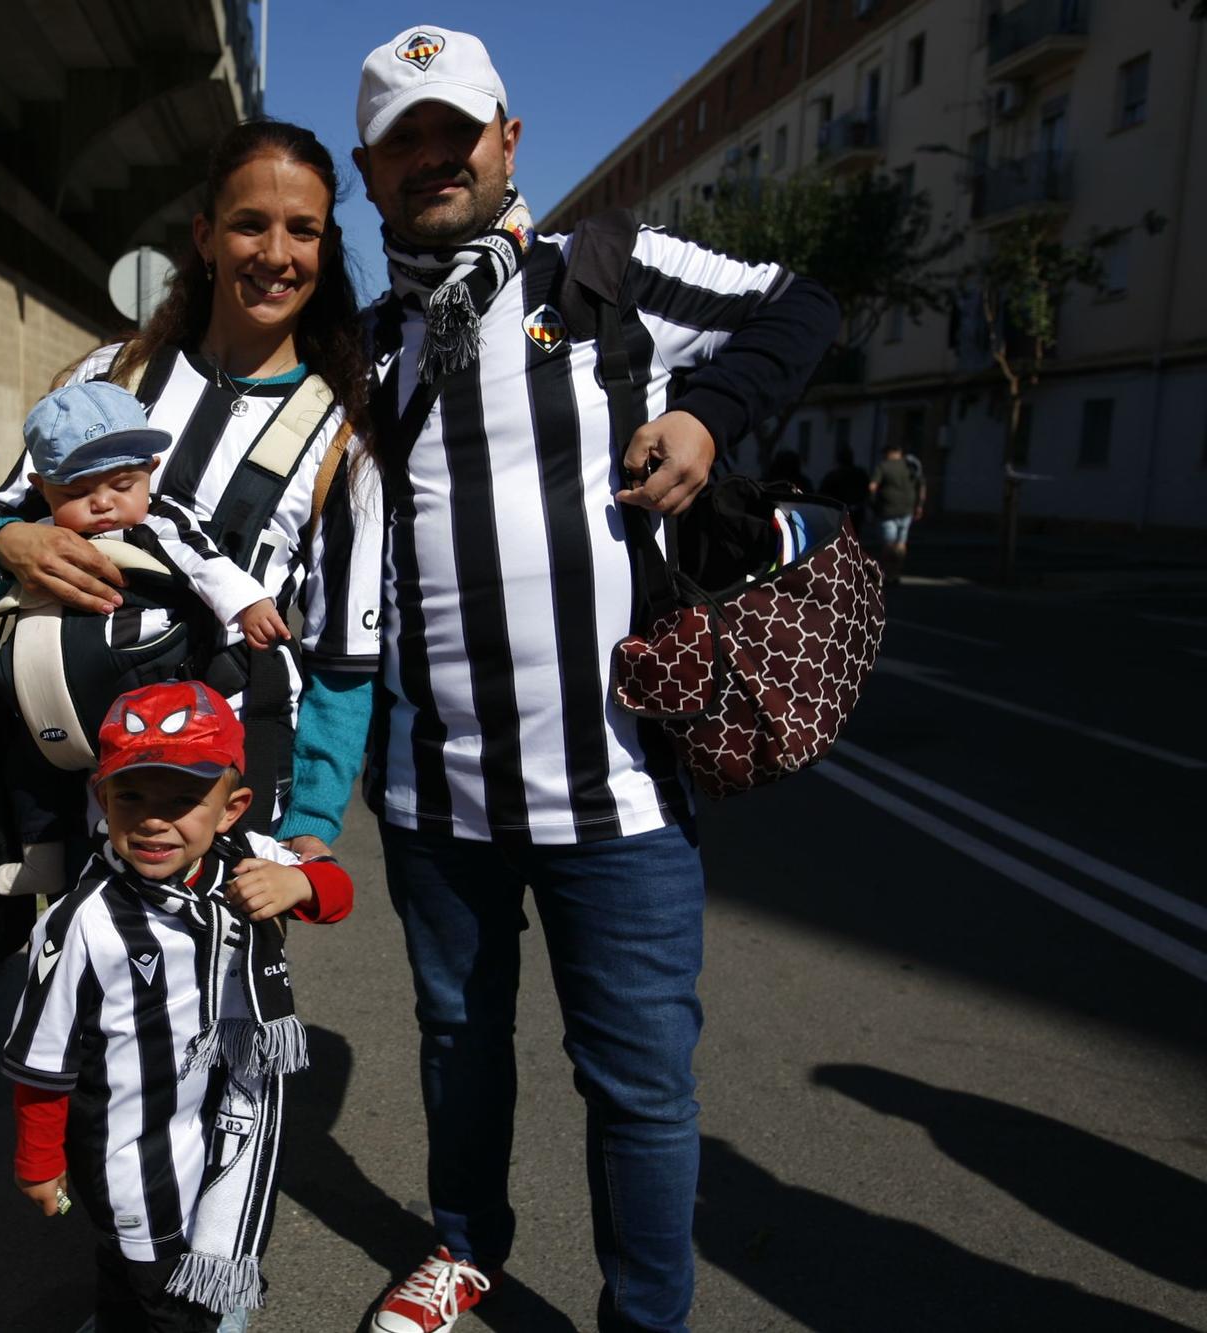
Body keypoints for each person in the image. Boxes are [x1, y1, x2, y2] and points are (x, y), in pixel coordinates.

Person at [348, 27, 839, 1333]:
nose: (434, 158)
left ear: (510, 140)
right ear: (367, 169)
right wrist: (17, 532)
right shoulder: (369, 348)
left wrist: (709, 413)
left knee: (638, 1086)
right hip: (432, 793)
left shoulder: (610, 270)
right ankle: (465, 1252)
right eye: (405, 139)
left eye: (457, 131)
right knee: (457, 1044)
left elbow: (802, 305)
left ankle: (645, 1320)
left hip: (617, 796)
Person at [0, 119, 383, 852]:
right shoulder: (109, 376)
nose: (275, 254)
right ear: (204, 237)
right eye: (249, 225)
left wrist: (315, 826)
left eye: (303, 230)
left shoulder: (344, 436)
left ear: (324, 247)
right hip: (80, 781)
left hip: (229, 803)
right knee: (81, 964)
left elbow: (342, 659)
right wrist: (12, 543)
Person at [3, 681, 354, 1331]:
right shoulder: (83, 922)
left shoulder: (247, 861)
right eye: (132, 795)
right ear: (101, 798)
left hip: (215, 1123)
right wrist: (39, 1159)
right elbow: (42, 1060)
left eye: (185, 797)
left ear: (231, 807)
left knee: (153, 1267)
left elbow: (338, 895)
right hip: (130, 1150)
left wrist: (299, 878)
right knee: (164, 1292)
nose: (156, 819)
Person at [0, 381, 291, 897]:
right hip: (46, 696)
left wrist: (248, 604)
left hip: (134, 692)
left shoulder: (161, 522)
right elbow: (0, 574)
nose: (102, 503)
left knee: (118, 778)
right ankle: (42, 855)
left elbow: (207, 563)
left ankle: (109, 857)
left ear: (150, 470)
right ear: (42, 487)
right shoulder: (41, 535)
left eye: (122, 485)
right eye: (77, 493)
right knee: (26, 766)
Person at [867, 440, 924, 586]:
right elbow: (922, 487)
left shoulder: (883, 466)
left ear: (888, 453)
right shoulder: (911, 466)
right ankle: (896, 573)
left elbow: (872, 487)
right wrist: (919, 506)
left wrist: (873, 504)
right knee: (901, 543)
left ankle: (886, 574)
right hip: (907, 510)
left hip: (887, 510)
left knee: (888, 543)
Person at [816, 439, 869, 534]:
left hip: (838, 512)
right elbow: (866, 491)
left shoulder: (833, 475)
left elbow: (822, 494)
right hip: (855, 511)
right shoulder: (860, 473)